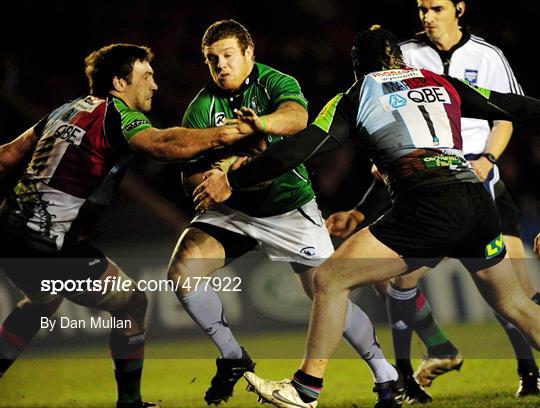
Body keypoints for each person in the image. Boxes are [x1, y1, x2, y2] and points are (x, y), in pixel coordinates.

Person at [194, 25, 540, 408]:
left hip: (426, 205)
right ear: (400, 58)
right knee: (516, 303)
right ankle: (430, 350)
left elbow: (299, 150)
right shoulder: (441, 82)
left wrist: (234, 178)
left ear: (357, 66)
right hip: (475, 201)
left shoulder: (358, 94)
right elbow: (519, 107)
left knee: (330, 278)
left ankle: (305, 388)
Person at [0, 43, 252, 408]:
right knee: (133, 302)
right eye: (146, 76)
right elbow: (163, 144)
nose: (154, 86)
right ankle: (130, 403)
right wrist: (228, 133)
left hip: (9, 233)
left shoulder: (65, 109)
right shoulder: (115, 114)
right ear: (119, 83)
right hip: (46, 244)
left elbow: (7, 156)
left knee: (42, 301)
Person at [167, 19, 402, 407]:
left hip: (288, 208)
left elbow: (297, 118)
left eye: (228, 56)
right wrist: (204, 182)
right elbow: (191, 171)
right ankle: (233, 357)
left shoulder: (275, 82)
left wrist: (259, 125)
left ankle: (385, 374)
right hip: (235, 211)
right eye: (212, 60)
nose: (221, 65)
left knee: (326, 291)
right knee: (182, 270)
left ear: (249, 53)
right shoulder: (200, 108)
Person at [327, 1, 540, 400]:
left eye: (436, 7)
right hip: (427, 185)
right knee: (394, 280)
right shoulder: (406, 54)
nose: (426, 15)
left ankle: (529, 373)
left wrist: (488, 159)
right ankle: (435, 352)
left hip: (483, 180)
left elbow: (505, 112)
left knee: (516, 295)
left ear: (459, 9)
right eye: (421, 8)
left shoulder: (488, 55)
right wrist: (364, 204)